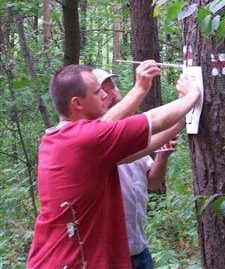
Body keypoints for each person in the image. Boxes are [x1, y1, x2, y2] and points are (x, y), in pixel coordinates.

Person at [27, 61, 200, 269]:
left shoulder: (60, 138)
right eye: (97, 91)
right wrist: (192, 94)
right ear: (77, 103)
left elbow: (135, 152)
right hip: (66, 262)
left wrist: (181, 120)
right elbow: (155, 119)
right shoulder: (85, 139)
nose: (104, 95)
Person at [94, 69, 179, 269]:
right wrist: (183, 114)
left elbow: (153, 183)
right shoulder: (94, 143)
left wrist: (162, 155)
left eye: (113, 87)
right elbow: (156, 121)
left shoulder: (128, 135)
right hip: (109, 257)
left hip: (139, 249)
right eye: (104, 94)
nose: (114, 95)